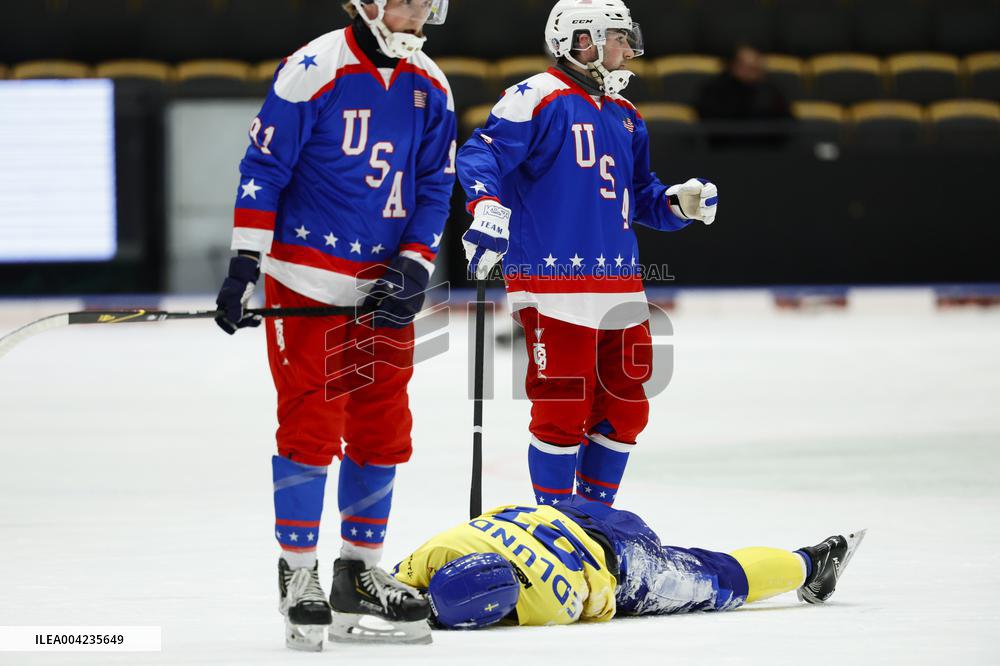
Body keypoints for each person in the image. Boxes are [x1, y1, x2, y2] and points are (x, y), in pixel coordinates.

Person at [213, 0, 456, 650]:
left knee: (382, 422)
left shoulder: (431, 83)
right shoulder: (313, 68)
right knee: (313, 420)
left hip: (384, 287)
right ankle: (298, 573)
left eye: (422, 1)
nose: (414, 12)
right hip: (307, 279)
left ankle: (358, 570)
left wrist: (413, 262)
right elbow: (264, 169)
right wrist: (245, 263)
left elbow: (435, 183)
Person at [456, 0, 718, 509]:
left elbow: (640, 194)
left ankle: (594, 524)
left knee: (625, 409)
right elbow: (480, 150)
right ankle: (556, 529)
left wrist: (676, 203)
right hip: (554, 285)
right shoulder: (536, 95)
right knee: (562, 408)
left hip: (621, 285)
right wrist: (486, 205)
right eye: (618, 36)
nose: (629, 47)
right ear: (582, 40)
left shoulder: (626, 115)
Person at [393, 498, 866, 628]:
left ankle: (813, 564)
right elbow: (392, 579)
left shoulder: (543, 604)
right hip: (572, 511)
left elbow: (597, 608)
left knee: (719, 580)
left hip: (624, 561)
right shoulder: (449, 544)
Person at [696, 44, 793, 150]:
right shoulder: (714, 89)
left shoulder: (770, 89)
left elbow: (787, 123)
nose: (754, 72)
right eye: (749, 67)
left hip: (766, 151)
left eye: (757, 68)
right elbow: (711, 124)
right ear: (734, 66)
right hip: (723, 151)